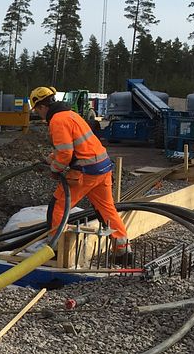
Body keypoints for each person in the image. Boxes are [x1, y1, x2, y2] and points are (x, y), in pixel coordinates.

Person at [29, 86, 132, 261]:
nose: (39, 115)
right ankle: (123, 250)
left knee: (58, 208)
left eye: (37, 111)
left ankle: (55, 251)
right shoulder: (71, 115)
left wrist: (55, 168)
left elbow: (66, 154)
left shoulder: (57, 121)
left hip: (86, 172)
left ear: (41, 107)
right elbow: (76, 146)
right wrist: (51, 158)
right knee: (106, 210)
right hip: (103, 168)